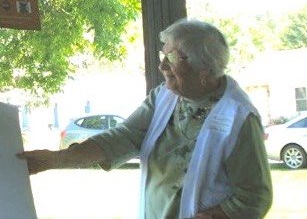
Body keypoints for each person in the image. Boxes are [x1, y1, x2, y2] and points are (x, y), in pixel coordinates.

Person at [18, 19, 273, 219]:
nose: (162, 66)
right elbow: (123, 136)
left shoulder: (239, 117)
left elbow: (255, 196)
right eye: (163, 55)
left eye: (172, 58)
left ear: (204, 70)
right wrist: (56, 159)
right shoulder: (163, 97)